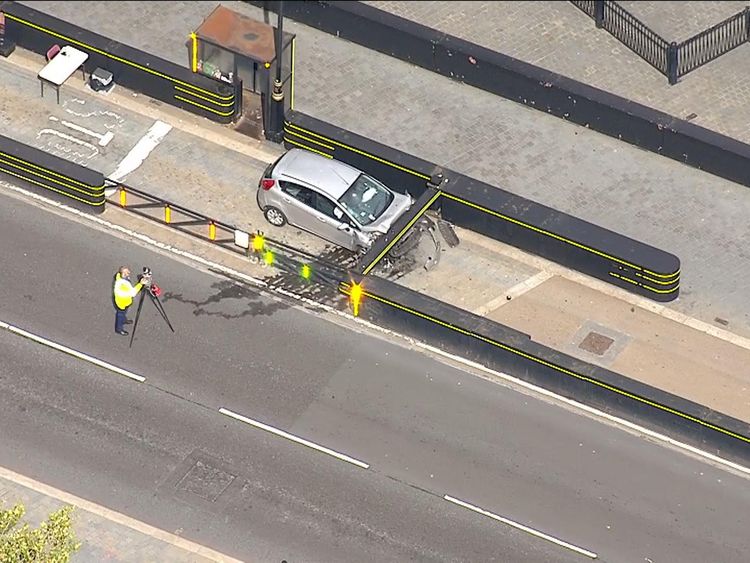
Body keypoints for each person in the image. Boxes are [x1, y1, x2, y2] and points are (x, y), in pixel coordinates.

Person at [112, 266, 145, 336]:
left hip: (123, 301)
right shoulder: (124, 285)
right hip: (122, 303)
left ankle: (124, 320)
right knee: (120, 314)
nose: (129, 272)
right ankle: (119, 329)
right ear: (123, 274)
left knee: (123, 313)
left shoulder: (119, 277)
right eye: (127, 272)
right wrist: (141, 284)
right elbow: (133, 293)